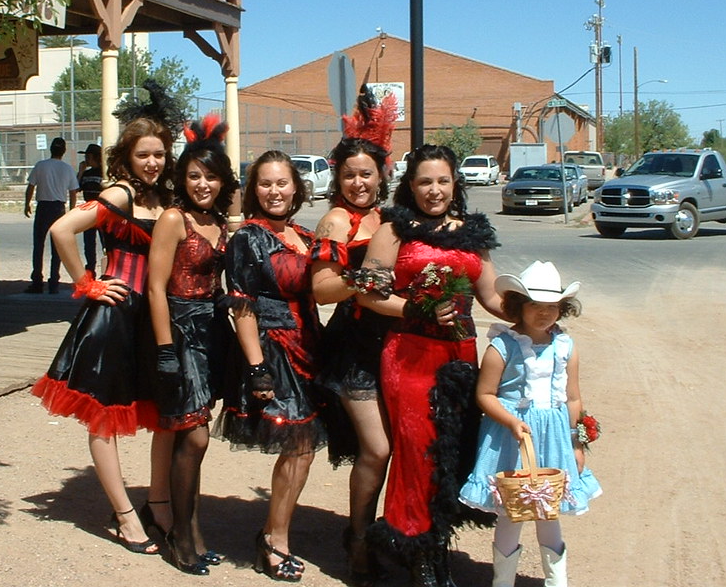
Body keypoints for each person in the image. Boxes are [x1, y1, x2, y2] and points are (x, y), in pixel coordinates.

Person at [31, 80, 183, 556]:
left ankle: (159, 504)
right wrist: (87, 283)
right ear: (126, 158)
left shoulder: (165, 198)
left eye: (159, 154)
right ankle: (125, 517)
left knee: (164, 415)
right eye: (144, 155)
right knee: (104, 417)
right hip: (115, 316)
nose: (152, 162)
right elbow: (61, 229)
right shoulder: (120, 194)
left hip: (153, 316)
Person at [353, 143, 508, 587]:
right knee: (417, 452)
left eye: (442, 180)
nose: (434, 190)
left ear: (455, 183)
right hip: (410, 355)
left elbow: (492, 295)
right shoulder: (393, 230)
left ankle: (436, 546)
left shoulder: (472, 232)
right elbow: (368, 293)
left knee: (449, 451)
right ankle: (417, 553)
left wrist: (538, 313)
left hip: (460, 357)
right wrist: (416, 309)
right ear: (411, 185)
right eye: (425, 181)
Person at [214, 149, 325, 583]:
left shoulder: (304, 234)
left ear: (296, 187)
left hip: (309, 346)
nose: (274, 191)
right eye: (265, 183)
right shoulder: (247, 237)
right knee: (298, 445)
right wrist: (257, 368)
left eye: (282, 183)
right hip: (273, 351)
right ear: (253, 190)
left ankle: (275, 533)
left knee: (305, 450)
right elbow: (241, 305)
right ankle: (274, 541)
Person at [458, 261, 602, 587]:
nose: (544, 313)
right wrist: (510, 420)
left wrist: (576, 442)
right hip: (512, 441)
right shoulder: (502, 346)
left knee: (548, 510)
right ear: (518, 305)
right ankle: (503, 582)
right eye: (535, 305)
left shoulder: (565, 347)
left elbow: (573, 398)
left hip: (553, 440)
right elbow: (485, 394)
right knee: (513, 511)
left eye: (552, 306)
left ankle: (556, 581)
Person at [310, 88, 397, 587]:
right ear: (337, 178)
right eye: (349, 175)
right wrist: (362, 282)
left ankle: (386, 534)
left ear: (382, 175)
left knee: (400, 448)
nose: (358, 183)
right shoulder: (336, 220)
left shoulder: (389, 218)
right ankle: (359, 540)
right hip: (354, 348)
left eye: (366, 174)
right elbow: (322, 290)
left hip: (396, 345)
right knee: (377, 450)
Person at [147, 114, 236, 576]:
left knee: (195, 435)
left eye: (211, 176)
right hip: (180, 333)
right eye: (195, 175)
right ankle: (179, 537)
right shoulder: (173, 218)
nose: (203, 184)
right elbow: (155, 287)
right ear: (182, 177)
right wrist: (165, 349)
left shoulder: (218, 221)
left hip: (211, 334)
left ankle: (193, 532)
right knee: (195, 436)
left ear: (223, 181)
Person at [24, 137, 79, 294]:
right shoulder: (67, 169)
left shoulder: (41, 165)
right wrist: (72, 210)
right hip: (58, 208)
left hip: (43, 206)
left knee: (38, 245)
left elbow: (31, 186)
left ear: (50, 149)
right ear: (64, 151)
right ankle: (54, 281)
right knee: (57, 247)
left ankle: (37, 281)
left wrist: (27, 204)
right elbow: (73, 192)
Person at [78, 143, 104, 274]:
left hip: (102, 210)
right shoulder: (86, 174)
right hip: (88, 209)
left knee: (105, 241)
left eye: (89, 157)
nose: (86, 159)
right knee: (88, 244)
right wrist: (81, 171)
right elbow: (76, 187)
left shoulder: (104, 173)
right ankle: (90, 270)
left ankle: (108, 268)